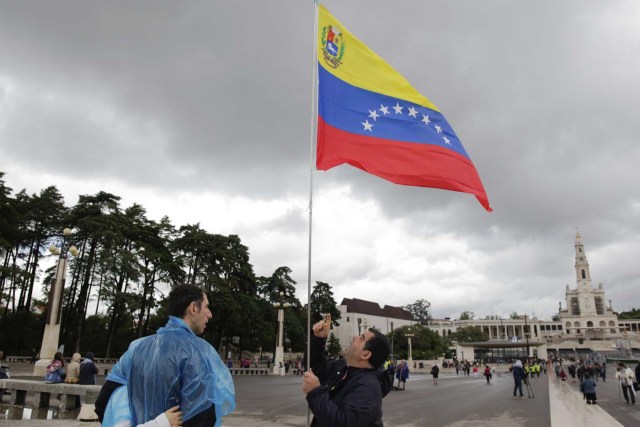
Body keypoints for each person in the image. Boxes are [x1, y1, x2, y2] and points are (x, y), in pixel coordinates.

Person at [95, 284, 236, 427]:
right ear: (194, 308)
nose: (210, 314)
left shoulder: (136, 347)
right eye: (206, 307)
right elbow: (202, 415)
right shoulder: (198, 351)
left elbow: (103, 402)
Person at [302, 313, 391, 426]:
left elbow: (342, 422)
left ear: (365, 354)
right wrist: (318, 339)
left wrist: (315, 392)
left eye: (361, 338)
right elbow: (314, 366)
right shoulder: (343, 369)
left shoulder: (368, 388)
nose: (354, 337)